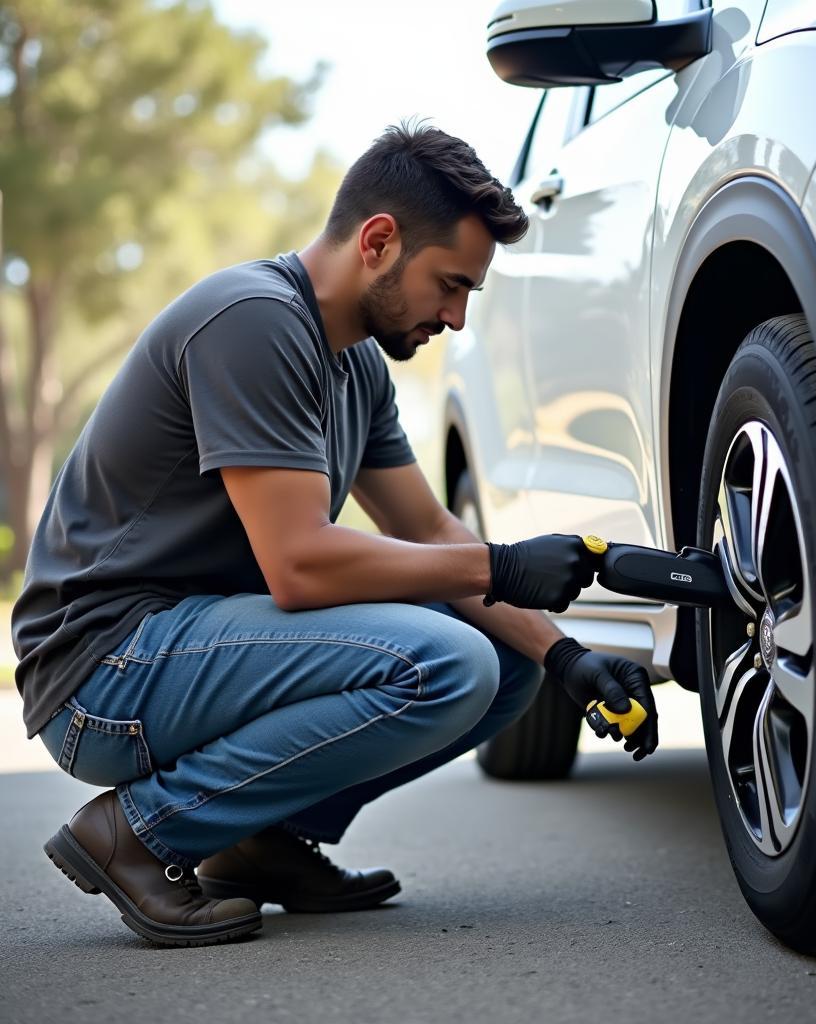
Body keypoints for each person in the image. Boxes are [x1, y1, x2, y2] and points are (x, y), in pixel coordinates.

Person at [10, 123, 659, 948]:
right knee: (444, 660)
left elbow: (422, 526)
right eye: (449, 285)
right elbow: (300, 566)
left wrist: (565, 655)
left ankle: (257, 838)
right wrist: (503, 563)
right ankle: (139, 832)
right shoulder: (252, 322)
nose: (456, 319)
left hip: (185, 651)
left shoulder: (355, 365)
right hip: (103, 671)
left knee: (505, 667)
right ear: (379, 241)